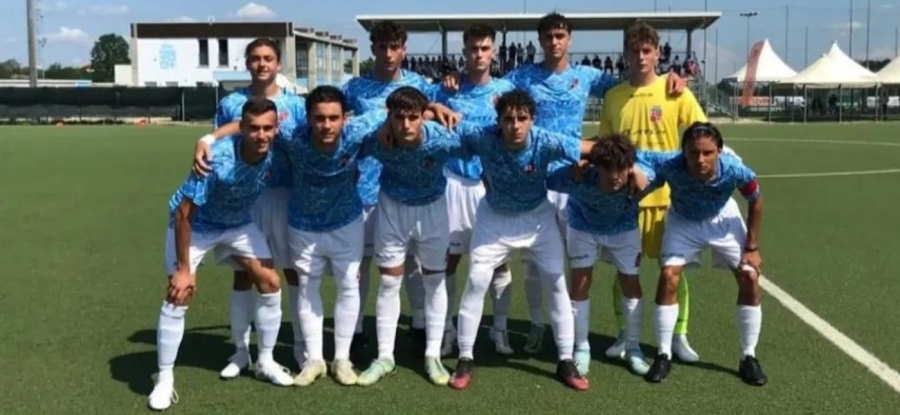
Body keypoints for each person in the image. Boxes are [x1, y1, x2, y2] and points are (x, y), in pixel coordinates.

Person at [443, 13, 685, 352]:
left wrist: (671, 76)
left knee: (570, 264)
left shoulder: (588, 76)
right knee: (531, 263)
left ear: (569, 39)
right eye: (548, 37)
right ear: (541, 41)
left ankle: (571, 340)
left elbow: (635, 79)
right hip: (538, 178)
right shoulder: (522, 77)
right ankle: (536, 325)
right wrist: (455, 78)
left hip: (576, 177)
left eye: (560, 36)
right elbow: (486, 83)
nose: (554, 42)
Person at [446, 90, 618, 391]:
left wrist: (630, 162)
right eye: (508, 119)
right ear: (498, 121)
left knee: (555, 281)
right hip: (494, 217)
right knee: (476, 280)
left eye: (522, 118)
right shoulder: (483, 135)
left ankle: (566, 359)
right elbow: (444, 122)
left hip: (537, 218)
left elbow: (590, 149)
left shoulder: (545, 140)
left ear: (532, 119)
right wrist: (435, 106)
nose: (515, 125)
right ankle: (465, 357)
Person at [148, 98, 294, 411]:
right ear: (243, 129)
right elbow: (184, 214)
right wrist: (184, 269)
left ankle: (264, 361)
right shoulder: (216, 160)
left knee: (270, 282)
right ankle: (164, 378)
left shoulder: (276, 146)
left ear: (276, 129)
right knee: (179, 293)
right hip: (196, 225)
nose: (261, 135)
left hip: (237, 223)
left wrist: (208, 134)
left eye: (267, 128)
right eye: (254, 128)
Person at [341, 20, 459, 355]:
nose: (388, 53)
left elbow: (435, 113)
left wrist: (438, 103)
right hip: (365, 187)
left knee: (414, 263)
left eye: (395, 47)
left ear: (404, 49)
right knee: (363, 264)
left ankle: (421, 323)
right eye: (382, 47)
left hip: (412, 187)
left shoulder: (419, 83)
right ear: (373, 48)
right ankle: (357, 329)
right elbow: (338, 119)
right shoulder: (355, 88)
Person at [598, 21, 705, 364]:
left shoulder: (676, 92)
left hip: (667, 200)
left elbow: (702, 134)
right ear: (625, 54)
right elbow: (605, 147)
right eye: (634, 51)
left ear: (658, 53)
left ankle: (679, 336)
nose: (641, 57)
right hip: (626, 200)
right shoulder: (614, 97)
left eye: (647, 50)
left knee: (672, 271)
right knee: (624, 272)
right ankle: (624, 334)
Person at [202, 38, 308, 377]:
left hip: (287, 196)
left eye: (268, 58)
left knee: (293, 272)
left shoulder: (296, 105)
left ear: (278, 64)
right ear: (247, 63)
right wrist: (206, 141)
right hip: (246, 199)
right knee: (244, 274)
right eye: (256, 58)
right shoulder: (232, 103)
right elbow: (219, 144)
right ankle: (240, 351)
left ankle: (301, 347)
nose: (262, 64)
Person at [355, 87, 464, 386]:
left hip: (433, 210)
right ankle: (385, 357)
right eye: (398, 117)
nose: (405, 125)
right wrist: (380, 124)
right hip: (392, 208)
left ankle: (433, 355)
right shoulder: (379, 138)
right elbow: (347, 130)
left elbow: (482, 136)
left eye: (413, 117)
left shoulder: (443, 138)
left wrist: (443, 109)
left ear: (423, 116)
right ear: (389, 117)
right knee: (389, 282)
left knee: (434, 280)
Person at [644, 122, 767, 386]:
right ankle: (663, 353)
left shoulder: (734, 169)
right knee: (668, 276)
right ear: (684, 151)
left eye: (708, 153)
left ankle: (748, 356)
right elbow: (636, 160)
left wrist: (752, 247)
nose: (700, 159)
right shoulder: (670, 165)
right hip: (683, 221)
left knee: (749, 276)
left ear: (719, 151)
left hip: (723, 219)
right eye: (693, 152)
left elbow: (756, 199)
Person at [282, 86, 388, 386]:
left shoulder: (356, 130)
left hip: (346, 222)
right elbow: (248, 124)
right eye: (319, 118)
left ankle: (342, 359)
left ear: (345, 118)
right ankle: (315, 360)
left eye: (333, 118)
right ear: (308, 119)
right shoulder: (290, 136)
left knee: (349, 286)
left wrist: (435, 109)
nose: (326, 125)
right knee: (307, 288)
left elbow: (390, 111)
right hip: (303, 225)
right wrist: (208, 140)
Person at [546, 134, 665, 377]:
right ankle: (581, 347)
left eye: (621, 168)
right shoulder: (576, 177)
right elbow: (543, 172)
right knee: (580, 284)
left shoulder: (644, 178)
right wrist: (573, 166)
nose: (614, 176)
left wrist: (640, 171)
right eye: (608, 168)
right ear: (596, 166)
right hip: (583, 228)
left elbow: (671, 164)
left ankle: (632, 348)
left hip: (624, 229)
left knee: (631, 283)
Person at [431, 23, 517, 357]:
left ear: (494, 51)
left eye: (484, 48)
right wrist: (444, 86)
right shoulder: (447, 90)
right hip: (453, 183)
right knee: (449, 261)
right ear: (464, 52)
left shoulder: (506, 90)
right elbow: (421, 109)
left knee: (499, 264)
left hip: (490, 186)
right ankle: (447, 330)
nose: (479, 55)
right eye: (473, 49)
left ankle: (500, 329)